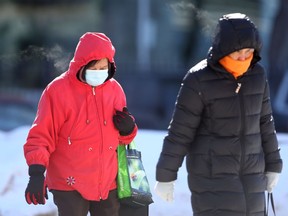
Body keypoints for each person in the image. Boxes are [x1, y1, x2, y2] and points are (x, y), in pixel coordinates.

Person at [155, 13, 283, 216]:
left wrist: (273, 165)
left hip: (252, 176)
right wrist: (165, 175)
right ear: (225, 49)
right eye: (238, 52)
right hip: (211, 179)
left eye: (249, 51)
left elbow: (265, 121)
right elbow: (181, 132)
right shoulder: (198, 80)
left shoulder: (257, 75)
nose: (243, 57)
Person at [23, 32, 138, 216]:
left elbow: (123, 139)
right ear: (82, 64)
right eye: (95, 67)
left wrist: (129, 129)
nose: (100, 72)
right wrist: (36, 172)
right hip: (69, 183)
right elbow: (41, 134)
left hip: (107, 182)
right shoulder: (57, 91)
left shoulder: (115, 90)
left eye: (104, 67)